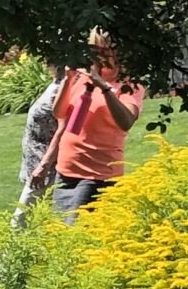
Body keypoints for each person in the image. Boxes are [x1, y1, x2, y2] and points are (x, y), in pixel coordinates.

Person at [43, 31, 147, 218]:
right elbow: (59, 113)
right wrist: (67, 79)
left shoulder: (128, 85)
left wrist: (104, 88)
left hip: (97, 175)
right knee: (59, 235)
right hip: (66, 170)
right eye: (95, 49)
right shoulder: (81, 77)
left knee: (77, 234)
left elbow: (126, 122)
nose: (101, 55)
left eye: (106, 49)